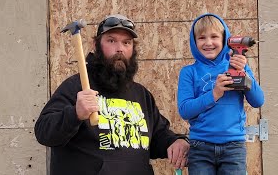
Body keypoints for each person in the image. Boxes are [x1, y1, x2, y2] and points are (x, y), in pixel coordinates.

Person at [35, 14, 189, 175]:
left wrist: (175, 142)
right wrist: (75, 114)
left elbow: (158, 136)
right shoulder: (76, 87)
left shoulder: (141, 95)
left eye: (126, 42)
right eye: (111, 40)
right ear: (96, 45)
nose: (119, 48)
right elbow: (44, 132)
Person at [177, 13, 265, 175]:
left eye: (214, 36)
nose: (208, 43)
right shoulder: (189, 72)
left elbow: (258, 101)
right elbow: (185, 110)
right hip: (200, 147)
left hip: (233, 148)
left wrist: (244, 74)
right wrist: (214, 94)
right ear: (194, 42)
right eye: (202, 38)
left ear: (225, 39)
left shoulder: (237, 65)